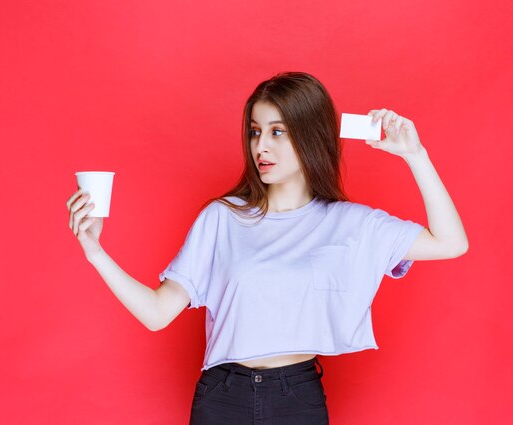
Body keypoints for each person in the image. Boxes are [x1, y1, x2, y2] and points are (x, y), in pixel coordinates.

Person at [66, 71, 468, 425]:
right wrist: (95, 251)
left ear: (311, 136)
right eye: (255, 131)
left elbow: (451, 243)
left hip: (297, 399)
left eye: (278, 131)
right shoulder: (223, 218)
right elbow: (156, 314)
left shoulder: (351, 223)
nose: (261, 146)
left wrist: (416, 155)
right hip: (222, 397)